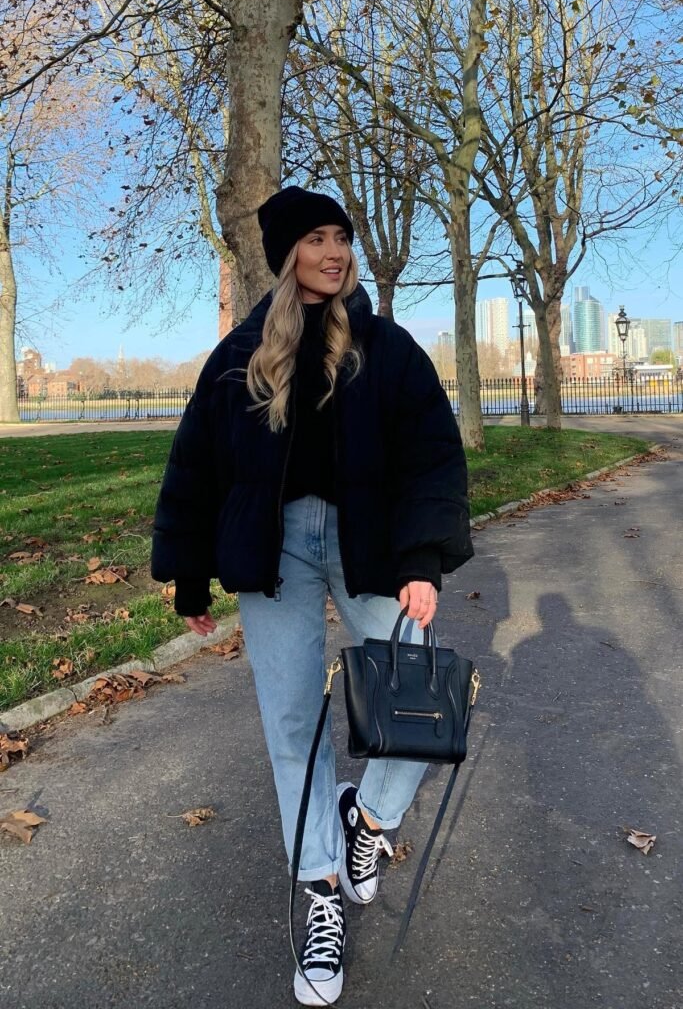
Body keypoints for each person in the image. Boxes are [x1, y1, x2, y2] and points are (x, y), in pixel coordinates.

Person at [151, 186, 473, 1006]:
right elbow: (197, 466)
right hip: (276, 551)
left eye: (342, 238)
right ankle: (321, 888)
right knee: (292, 722)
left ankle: (365, 822)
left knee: (415, 703)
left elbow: (433, 456)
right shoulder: (238, 354)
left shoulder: (388, 348)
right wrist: (190, 572)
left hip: (373, 546)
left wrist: (422, 563)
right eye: (317, 239)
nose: (334, 252)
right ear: (286, 253)